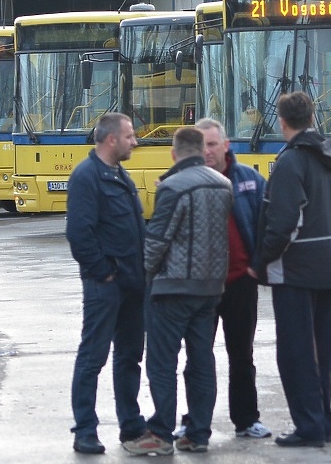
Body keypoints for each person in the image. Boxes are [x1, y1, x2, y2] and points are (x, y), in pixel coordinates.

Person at [253, 91, 331, 448]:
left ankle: (309, 427)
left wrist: (260, 261)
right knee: (322, 352)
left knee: (296, 353)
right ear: (312, 117)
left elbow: (283, 225)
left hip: (295, 272)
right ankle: (322, 424)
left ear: (281, 122)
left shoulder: (289, 163)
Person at [124, 126, 233, 455]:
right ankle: (198, 433)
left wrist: (144, 274)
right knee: (202, 361)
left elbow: (157, 241)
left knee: (162, 363)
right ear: (202, 151)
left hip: (172, 288)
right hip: (210, 288)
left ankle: (160, 433)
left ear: (174, 153)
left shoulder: (172, 187)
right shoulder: (223, 185)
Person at [65, 112, 147, 455]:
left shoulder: (120, 175)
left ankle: (131, 426)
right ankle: (85, 430)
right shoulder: (87, 177)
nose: (135, 141)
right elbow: (79, 234)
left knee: (129, 357)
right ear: (111, 139)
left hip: (132, 283)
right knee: (93, 357)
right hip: (106, 285)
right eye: (130, 136)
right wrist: (103, 271)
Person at [193, 117, 271, 440]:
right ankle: (196, 422)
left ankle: (246, 419)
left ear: (226, 146)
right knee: (199, 357)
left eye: (212, 144)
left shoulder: (250, 181)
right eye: (201, 146)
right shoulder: (186, 182)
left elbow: (268, 226)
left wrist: (257, 266)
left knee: (242, 355)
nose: (207, 151)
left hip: (241, 282)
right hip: (201, 287)